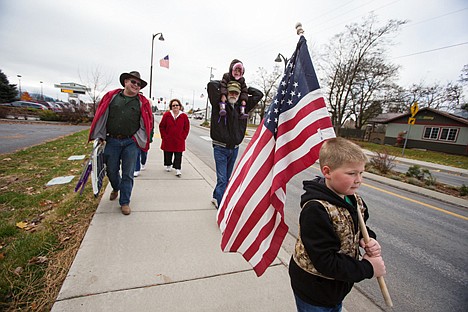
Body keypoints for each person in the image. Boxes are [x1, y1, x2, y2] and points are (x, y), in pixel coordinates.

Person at [289, 137, 386, 312]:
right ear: (327, 172)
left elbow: (359, 227)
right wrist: (368, 268)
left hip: (336, 288)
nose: (359, 180)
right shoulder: (315, 210)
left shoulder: (354, 199)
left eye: (361, 173)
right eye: (351, 173)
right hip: (315, 290)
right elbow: (325, 261)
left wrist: (369, 239)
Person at [89, 71, 153, 215]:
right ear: (125, 82)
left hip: (131, 142)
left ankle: (125, 202)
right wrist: (100, 135)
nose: (136, 85)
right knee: (111, 170)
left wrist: (140, 139)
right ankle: (116, 187)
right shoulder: (112, 97)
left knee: (128, 173)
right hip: (112, 140)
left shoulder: (142, 102)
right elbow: (101, 115)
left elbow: (148, 123)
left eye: (138, 84)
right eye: (133, 82)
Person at [207, 79, 263, 208]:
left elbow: (259, 94)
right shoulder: (218, 103)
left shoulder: (243, 107)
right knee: (222, 180)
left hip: (234, 148)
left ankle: (216, 196)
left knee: (226, 178)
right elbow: (211, 85)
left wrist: (244, 89)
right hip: (220, 148)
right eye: (231, 92)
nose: (233, 95)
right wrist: (227, 83)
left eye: (236, 93)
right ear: (226, 92)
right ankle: (222, 209)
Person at [158, 99, 190, 177]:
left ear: (180, 106)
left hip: (179, 139)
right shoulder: (167, 115)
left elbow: (186, 127)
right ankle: (168, 164)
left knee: (178, 154)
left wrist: (183, 136)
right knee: (167, 153)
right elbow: (161, 126)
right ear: (171, 107)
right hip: (168, 138)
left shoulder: (184, 116)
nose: (175, 107)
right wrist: (164, 136)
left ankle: (178, 168)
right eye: (173, 105)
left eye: (177, 105)